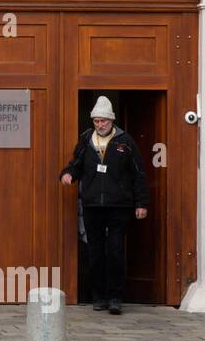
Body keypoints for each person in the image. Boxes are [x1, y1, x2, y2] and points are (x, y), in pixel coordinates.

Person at [60, 96, 148, 314]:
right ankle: (98, 297)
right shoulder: (86, 140)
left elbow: (139, 174)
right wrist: (68, 174)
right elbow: (76, 163)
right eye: (97, 121)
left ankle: (115, 297)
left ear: (112, 121)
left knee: (116, 250)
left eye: (104, 122)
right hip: (92, 206)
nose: (100, 125)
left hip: (119, 206)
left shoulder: (124, 142)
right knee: (95, 252)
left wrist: (141, 204)